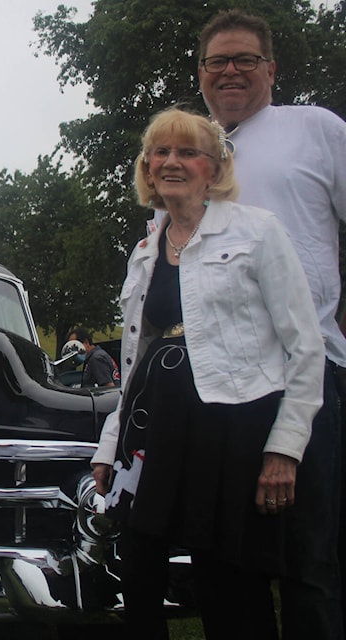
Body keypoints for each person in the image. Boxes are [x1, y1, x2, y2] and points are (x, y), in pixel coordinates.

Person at [92, 107, 325, 639]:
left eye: (188, 152)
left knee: (231, 586)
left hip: (234, 431)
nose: (171, 161)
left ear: (215, 168)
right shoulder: (145, 251)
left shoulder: (258, 231)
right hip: (154, 431)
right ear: (147, 167)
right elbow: (134, 360)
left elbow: (305, 348)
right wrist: (110, 443)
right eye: (161, 152)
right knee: (140, 568)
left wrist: (284, 447)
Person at [197, 10, 346, 639]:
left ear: (271, 69)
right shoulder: (188, 149)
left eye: (245, 60)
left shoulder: (315, 129)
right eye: (217, 62)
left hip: (307, 371)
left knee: (311, 559)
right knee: (228, 563)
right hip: (220, 386)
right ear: (201, 74)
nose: (231, 71)